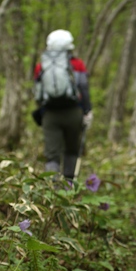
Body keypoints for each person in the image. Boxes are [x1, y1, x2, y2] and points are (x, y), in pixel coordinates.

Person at [34, 29, 93, 181]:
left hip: (50, 114)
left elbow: (38, 93)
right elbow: (84, 89)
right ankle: (68, 188)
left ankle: (51, 192)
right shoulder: (77, 64)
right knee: (72, 151)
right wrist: (87, 111)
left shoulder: (41, 66)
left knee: (52, 155)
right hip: (74, 113)